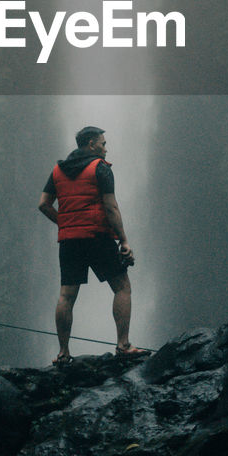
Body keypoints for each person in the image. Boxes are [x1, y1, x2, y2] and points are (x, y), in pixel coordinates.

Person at [38, 125, 149, 365]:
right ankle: (123, 345)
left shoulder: (58, 169)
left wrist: (65, 223)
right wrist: (124, 240)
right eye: (103, 143)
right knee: (122, 286)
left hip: (69, 241)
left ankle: (63, 353)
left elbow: (44, 204)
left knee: (66, 295)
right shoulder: (100, 168)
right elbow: (110, 207)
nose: (106, 149)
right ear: (91, 144)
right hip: (98, 236)